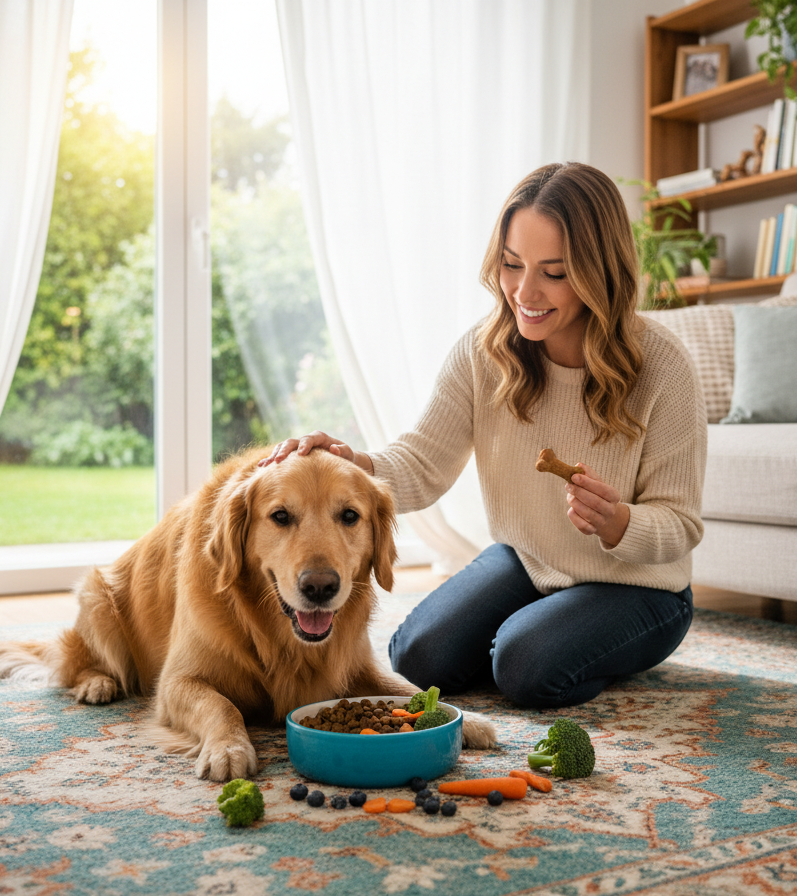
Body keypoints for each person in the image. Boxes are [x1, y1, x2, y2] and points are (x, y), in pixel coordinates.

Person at [260, 161, 706, 709]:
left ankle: (553, 640)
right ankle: (540, 629)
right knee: (418, 656)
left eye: (555, 272)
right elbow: (422, 462)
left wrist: (620, 524)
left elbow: (682, 524)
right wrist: (356, 465)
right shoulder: (484, 351)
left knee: (523, 666)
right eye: (512, 264)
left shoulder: (663, 366)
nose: (525, 291)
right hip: (529, 559)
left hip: (641, 587)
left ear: (600, 272)